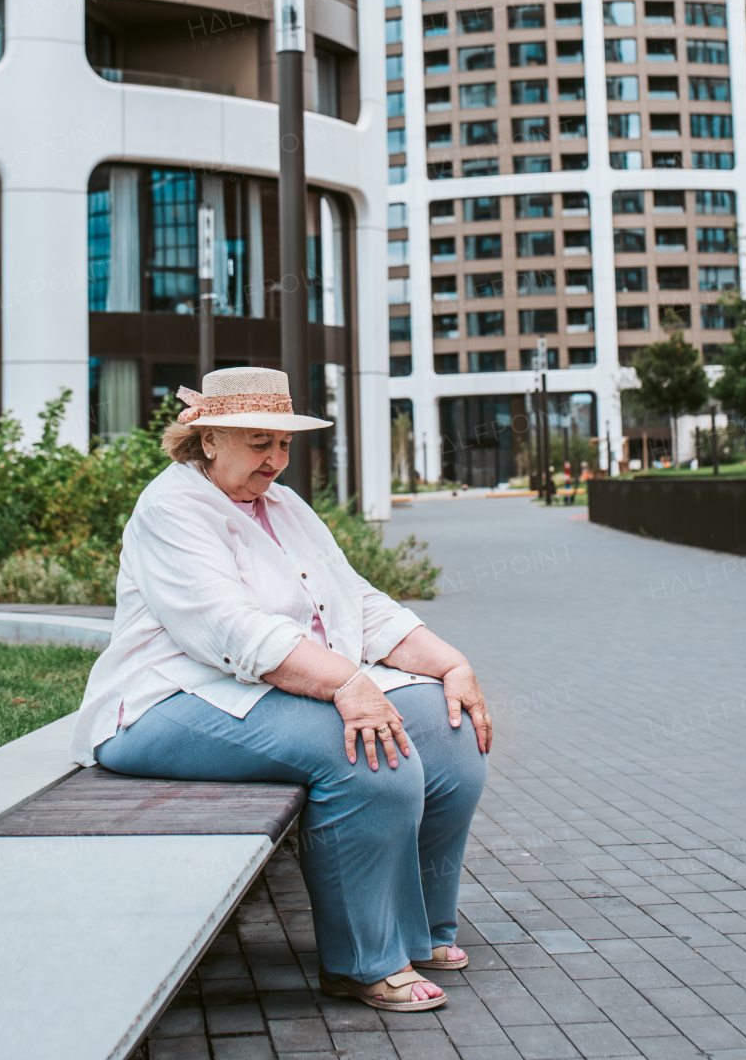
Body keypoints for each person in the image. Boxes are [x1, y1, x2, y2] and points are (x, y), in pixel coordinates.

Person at [71, 367, 492, 1015]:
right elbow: (229, 629)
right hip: (163, 702)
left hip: (272, 688)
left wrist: (451, 664)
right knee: (363, 749)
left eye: (284, 444)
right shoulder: (171, 508)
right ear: (208, 438)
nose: (276, 459)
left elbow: (359, 604)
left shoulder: (285, 506)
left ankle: (422, 929)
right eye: (259, 442)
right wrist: (347, 682)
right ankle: (364, 959)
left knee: (447, 726)